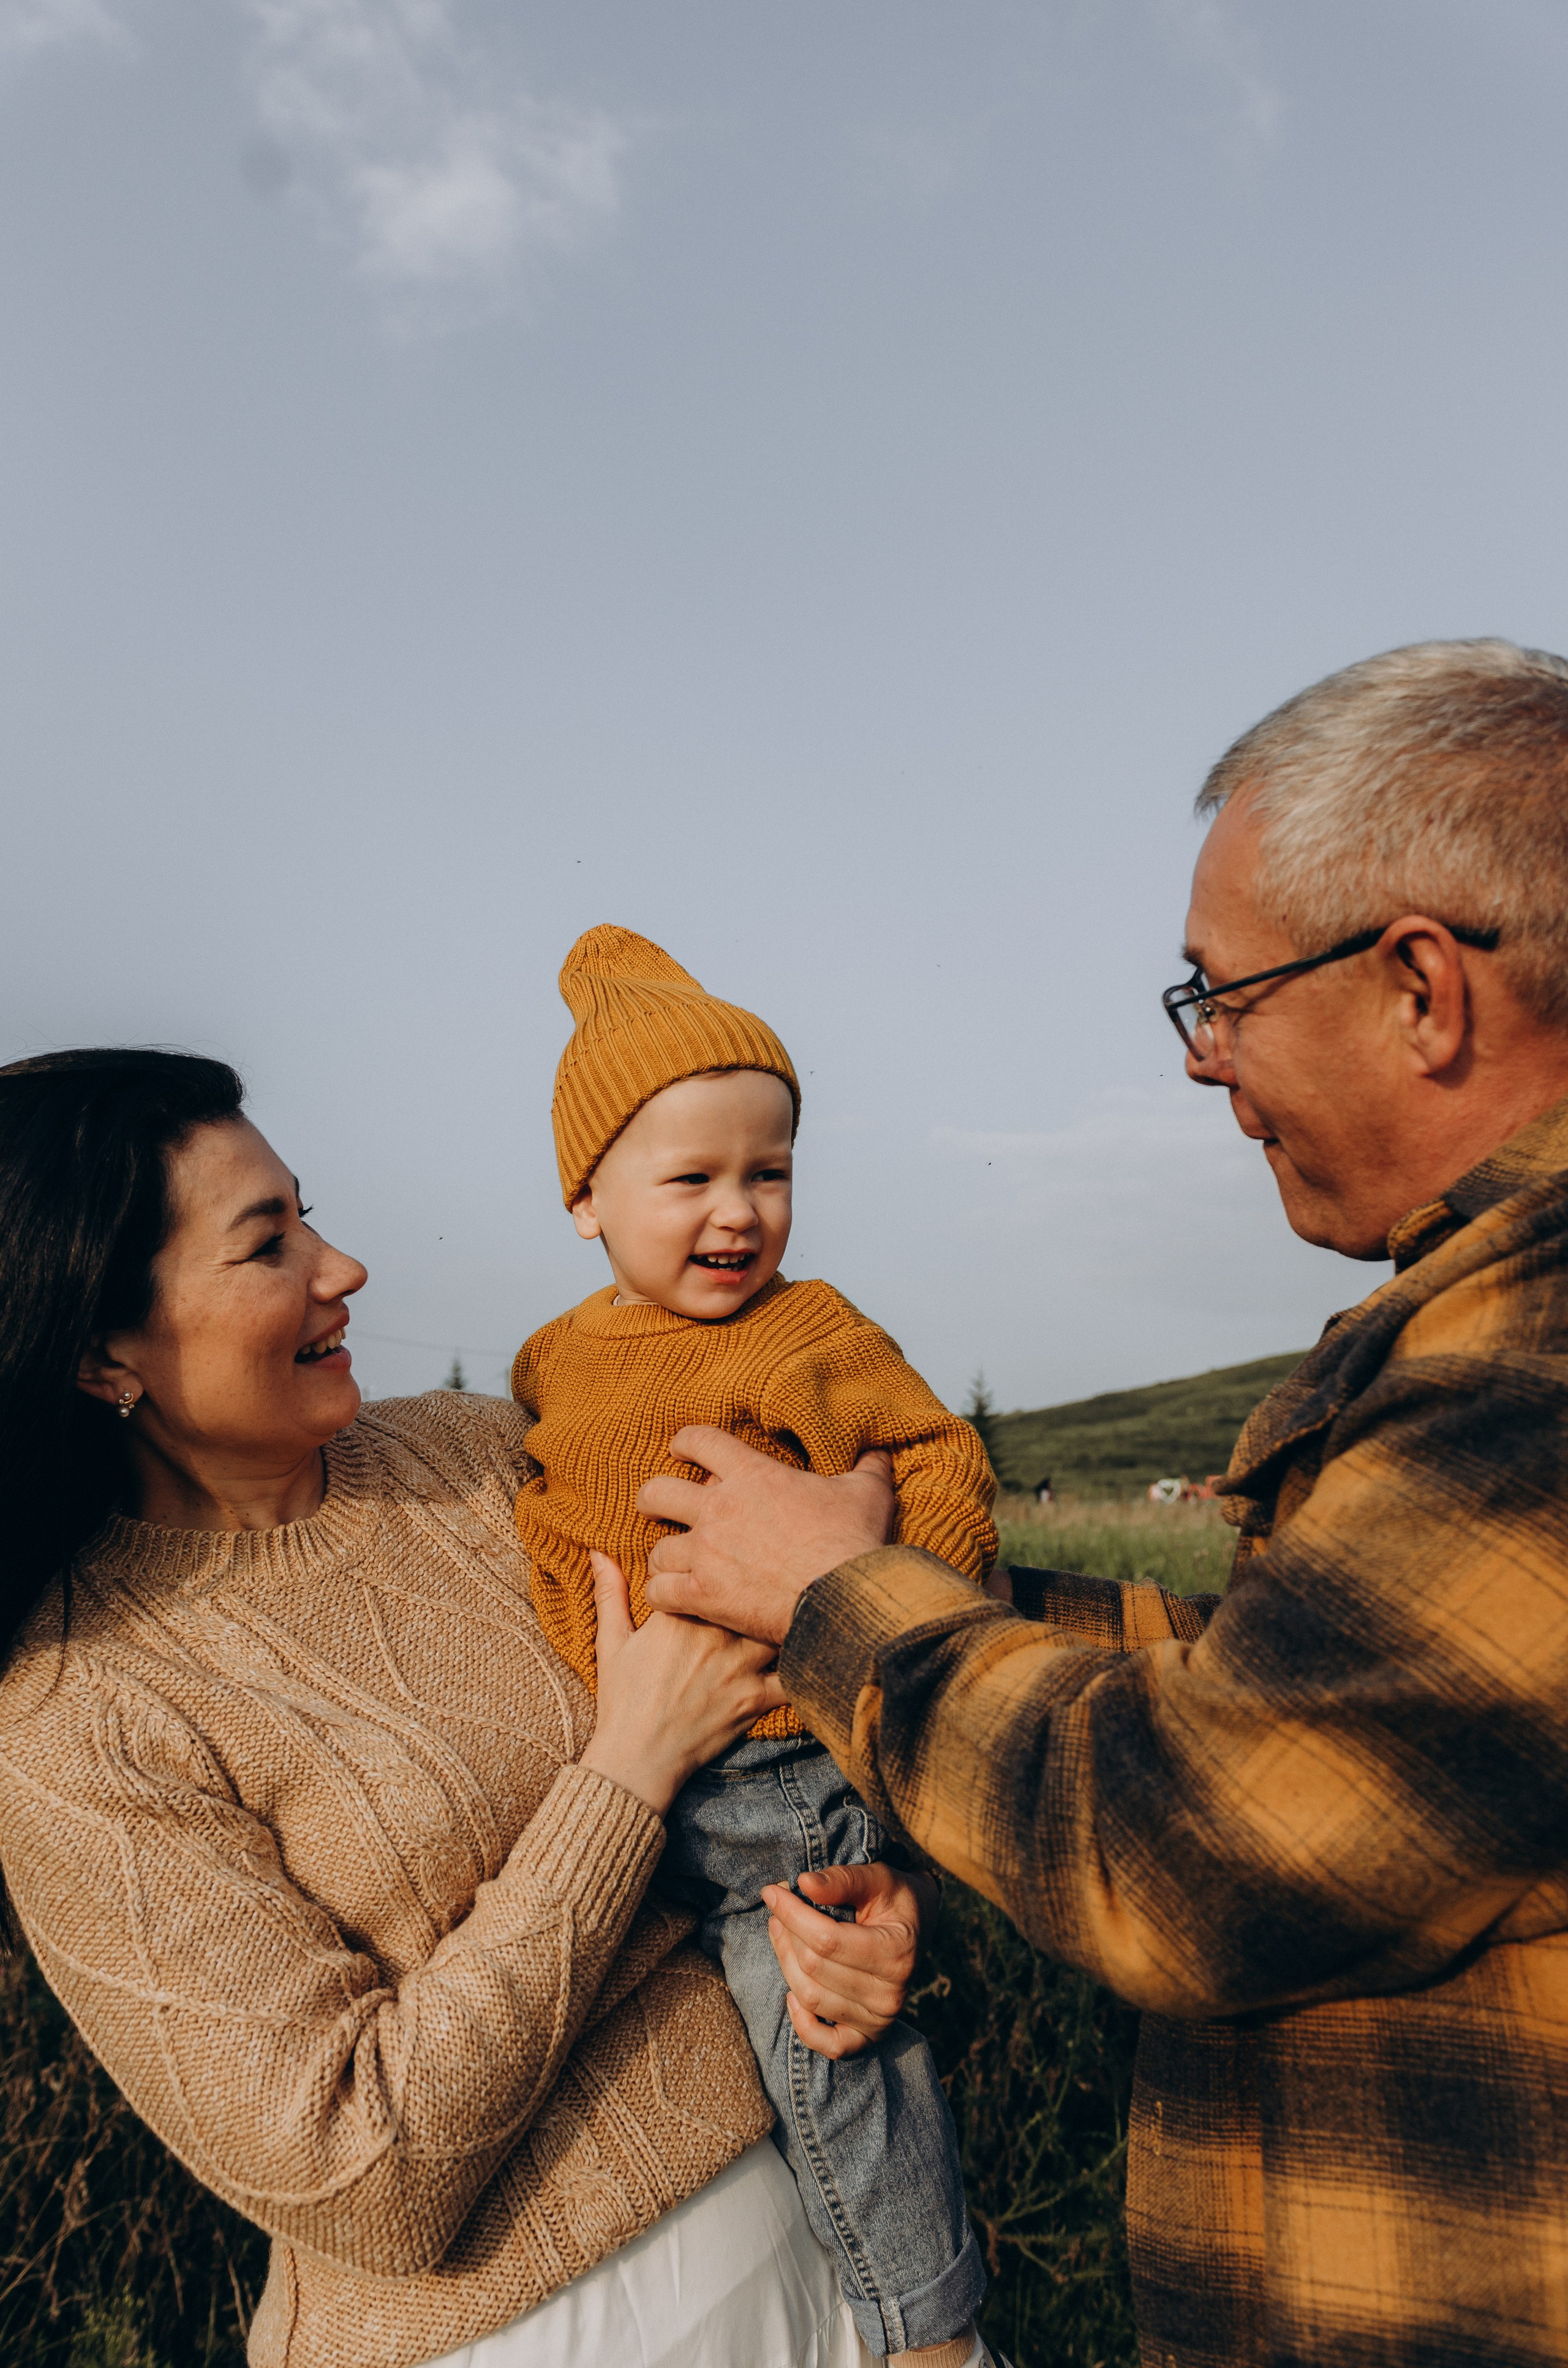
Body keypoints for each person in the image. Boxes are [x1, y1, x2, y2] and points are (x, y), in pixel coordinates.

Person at [633, 639, 1568, 2366]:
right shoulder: (1483, 1327)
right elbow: (1303, 1683)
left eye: (1223, 995)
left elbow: (1198, 1843)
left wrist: (845, 1613)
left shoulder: (1534, 1369)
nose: (1209, 1061)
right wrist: (907, 1566)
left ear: (1424, 989)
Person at [0, 1047, 937, 2368]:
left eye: (309, 1212)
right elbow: (358, 2174)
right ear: (105, 1350)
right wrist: (626, 1770)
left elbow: (768, 1752)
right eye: (269, 1245)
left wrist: (872, 1908)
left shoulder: (474, 1453)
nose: (342, 1268)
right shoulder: (71, 1716)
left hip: (816, 2238)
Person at [510, 925, 994, 2366]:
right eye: (693, 1179)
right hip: (646, 1771)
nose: (738, 1214)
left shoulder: (806, 1334)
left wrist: (898, 1615)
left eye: (768, 1174)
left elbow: (938, 1459)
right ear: (586, 1199)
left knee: (827, 2044)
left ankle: (927, 2334)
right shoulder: (554, 1354)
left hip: (787, 1763)